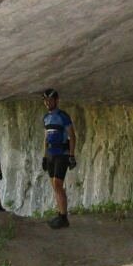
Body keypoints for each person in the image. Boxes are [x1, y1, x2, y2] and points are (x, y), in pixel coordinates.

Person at [41, 88, 77, 229]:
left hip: (62, 154)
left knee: (57, 184)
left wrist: (71, 156)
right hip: (50, 154)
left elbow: (72, 136)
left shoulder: (63, 116)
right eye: (45, 100)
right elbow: (45, 138)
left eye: (50, 100)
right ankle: (60, 214)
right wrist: (44, 157)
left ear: (56, 101)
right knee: (55, 186)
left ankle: (63, 218)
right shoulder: (46, 118)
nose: (47, 103)